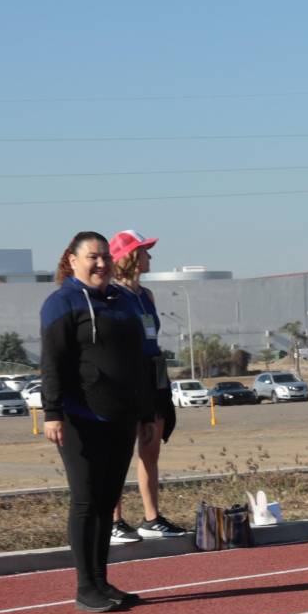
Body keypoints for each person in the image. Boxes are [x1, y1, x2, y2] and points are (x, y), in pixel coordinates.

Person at [39, 230, 156, 612]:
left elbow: (139, 359)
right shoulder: (61, 303)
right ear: (72, 261)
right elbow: (52, 363)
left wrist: (145, 410)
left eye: (105, 256)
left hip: (121, 417)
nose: (101, 264)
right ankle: (85, 586)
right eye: (92, 257)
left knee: (107, 502)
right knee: (86, 501)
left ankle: (102, 581)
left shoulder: (122, 300)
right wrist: (53, 412)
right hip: (79, 418)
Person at [107, 229, 185, 543]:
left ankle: (151, 518)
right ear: (128, 257)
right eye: (144, 251)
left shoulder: (146, 296)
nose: (149, 256)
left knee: (149, 450)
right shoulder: (112, 294)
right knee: (118, 453)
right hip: (127, 379)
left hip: (153, 376)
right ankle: (113, 520)